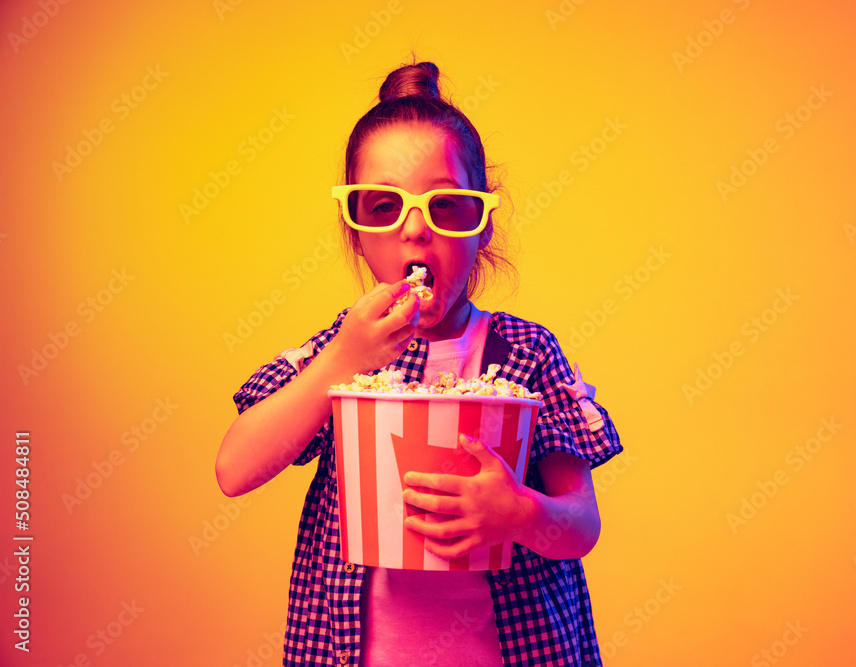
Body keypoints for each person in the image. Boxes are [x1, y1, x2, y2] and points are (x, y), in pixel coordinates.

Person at [216, 61, 622, 667]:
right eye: (381, 206)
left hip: (515, 651)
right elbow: (235, 470)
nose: (414, 230)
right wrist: (339, 364)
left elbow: (580, 524)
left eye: (448, 207)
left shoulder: (529, 354)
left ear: (482, 227)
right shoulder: (339, 351)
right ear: (356, 233)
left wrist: (520, 512)